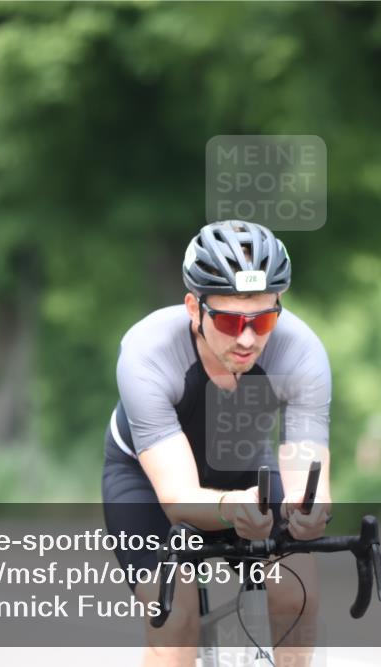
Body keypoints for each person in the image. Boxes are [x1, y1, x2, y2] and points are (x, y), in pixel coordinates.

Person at [102, 220, 332, 667]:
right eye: (229, 320)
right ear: (194, 307)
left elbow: (308, 473)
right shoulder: (147, 352)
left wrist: (309, 512)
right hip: (147, 483)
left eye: (263, 318)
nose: (247, 338)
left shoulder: (301, 352)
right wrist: (232, 509)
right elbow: (178, 499)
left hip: (246, 469)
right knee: (176, 622)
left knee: (296, 594)